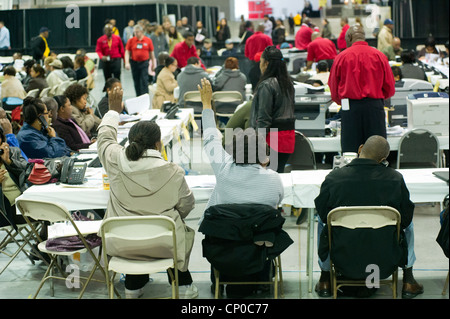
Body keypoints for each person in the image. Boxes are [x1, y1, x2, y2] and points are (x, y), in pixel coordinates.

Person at [97, 86, 198, 299]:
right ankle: (183, 286)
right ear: (158, 144)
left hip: (122, 245)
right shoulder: (174, 172)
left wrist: (113, 110)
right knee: (172, 224)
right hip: (164, 245)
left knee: (140, 231)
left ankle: (133, 285)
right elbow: (187, 205)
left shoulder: (114, 160)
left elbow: (105, 137)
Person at [198, 78, 285, 297]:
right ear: (264, 156)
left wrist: (207, 105)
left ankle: (219, 277)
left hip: (223, 244)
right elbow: (277, 204)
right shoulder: (274, 179)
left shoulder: (223, 168)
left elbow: (210, 137)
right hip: (257, 248)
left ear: (233, 152)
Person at [314, 135, 424, 299]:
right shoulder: (395, 178)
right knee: (408, 224)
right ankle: (408, 279)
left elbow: (323, 213)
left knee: (323, 222)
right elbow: (406, 218)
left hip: (344, 252)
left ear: (360, 149)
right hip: (385, 253)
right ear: (383, 159)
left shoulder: (334, 178)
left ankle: (325, 279)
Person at [328, 24, 395, 154]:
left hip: (350, 109)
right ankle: (376, 174)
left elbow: (333, 88)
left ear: (349, 37)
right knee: (377, 151)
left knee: (350, 152)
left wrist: (343, 102)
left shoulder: (341, 57)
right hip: (375, 107)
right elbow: (390, 88)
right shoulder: (379, 55)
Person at [249, 46, 296, 173]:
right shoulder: (288, 84)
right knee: (278, 176)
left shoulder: (267, 85)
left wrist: (259, 144)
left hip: (271, 139)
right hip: (288, 138)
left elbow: (264, 118)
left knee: (266, 178)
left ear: (266, 64)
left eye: (261, 62)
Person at [125, 25, 156, 97]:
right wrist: (127, 62)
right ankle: (138, 96)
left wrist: (153, 64)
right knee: (136, 81)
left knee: (144, 80)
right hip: (134, 63)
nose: (136, 34)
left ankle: (145, 96)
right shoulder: (131, 40)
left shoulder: (148, 40)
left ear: (142, 32)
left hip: (144, 63)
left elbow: (151, 52)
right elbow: (127, 52)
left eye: (137, 32)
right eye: (134, 32)